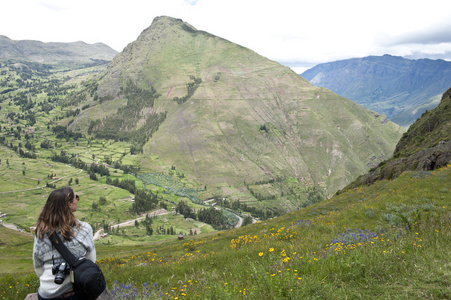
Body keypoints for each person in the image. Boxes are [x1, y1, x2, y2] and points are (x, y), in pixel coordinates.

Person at [33, 187, 96, 300]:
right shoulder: (84, 229)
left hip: (47, 294)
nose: (77, 200)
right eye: (76, 197)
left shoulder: (41, 232)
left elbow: (39, 268)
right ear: (69, 204)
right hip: (74, 292)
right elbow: (91, 262)